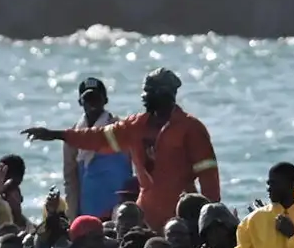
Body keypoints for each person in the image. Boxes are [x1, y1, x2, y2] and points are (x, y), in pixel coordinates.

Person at [24, 68, 220, 232]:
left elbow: (209, 176)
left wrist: (209, 218)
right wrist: (57, 134)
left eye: (149, 92)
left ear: (166, 94)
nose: (144, 97)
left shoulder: (191, 128)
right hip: (145, 217)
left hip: (180, 218)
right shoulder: (134, 126)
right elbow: (98, 137)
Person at [62, 77, 131, 220]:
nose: (92, 103)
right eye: (87, 99)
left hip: (118, 210)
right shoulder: (72, 136)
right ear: (80, 102)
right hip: (88, 209)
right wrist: (72, 217)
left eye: (96, 98)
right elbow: (70, 180)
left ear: (105, 100)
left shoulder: (122, 129)